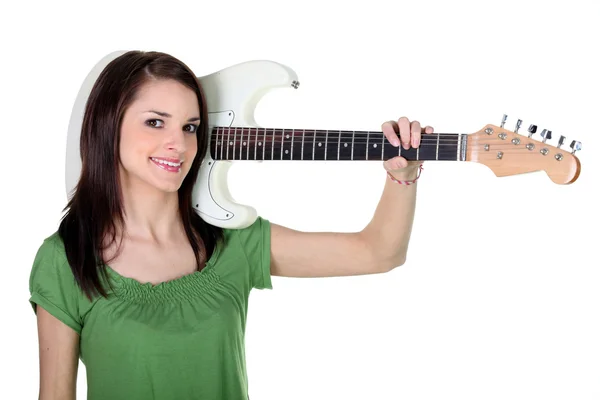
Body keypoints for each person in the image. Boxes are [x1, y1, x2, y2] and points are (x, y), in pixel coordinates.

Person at [28, 50, 433, 400]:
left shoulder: (233, 241)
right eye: (155, 122)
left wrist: (404, 173)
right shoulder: (65, 259)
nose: (179, 143)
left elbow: (380, 252)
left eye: (190, 127)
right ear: (108, 126)